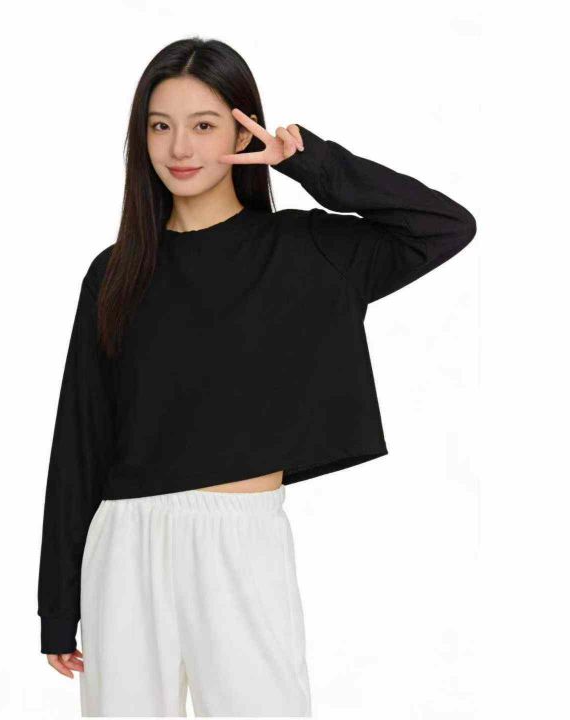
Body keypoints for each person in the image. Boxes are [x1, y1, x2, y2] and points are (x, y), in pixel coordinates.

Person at [36, 37, 476, 718]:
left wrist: (307, 160)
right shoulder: (116, 272)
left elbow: (444, 226)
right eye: (160, 126)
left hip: (240, 542)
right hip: (125, 544)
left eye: (204, 125)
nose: (179, 147)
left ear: (243, 132)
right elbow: (80, 440)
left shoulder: (306, 252)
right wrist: (57, 606)